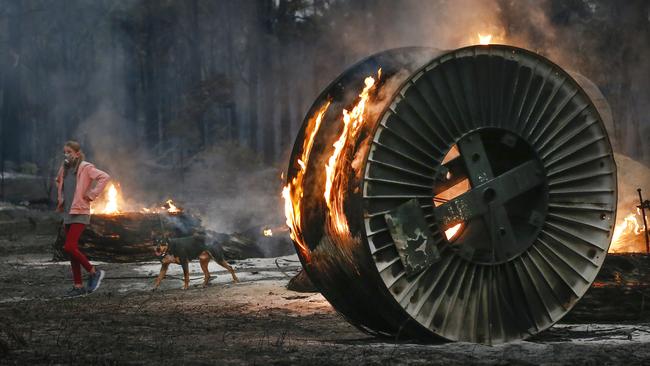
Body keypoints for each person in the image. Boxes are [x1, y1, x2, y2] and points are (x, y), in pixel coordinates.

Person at [55, 141, 111, 297]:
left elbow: (104, 177)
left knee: (69, 246)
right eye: (64, 152)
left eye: (69, 152)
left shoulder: (85, 167)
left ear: (77, 154)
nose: (66, 155)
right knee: (72, 251)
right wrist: (61, 198)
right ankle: (78, 286)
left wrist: (92, 194)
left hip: (80, 211)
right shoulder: (64, 168)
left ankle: (94, 272)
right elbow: (58, 181)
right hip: (68, 212)